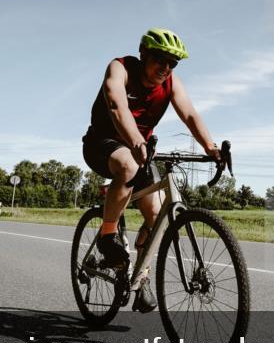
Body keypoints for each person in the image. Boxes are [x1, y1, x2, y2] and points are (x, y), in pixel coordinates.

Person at [81, 28, 221, 313]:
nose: (166, 68)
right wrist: (135, 140)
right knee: (127, 164)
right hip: (102, 143)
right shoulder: (121, 68)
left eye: (173, 63)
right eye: (160, 59)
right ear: (144, 54)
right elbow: (116, 103)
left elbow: (190, 114)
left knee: (157, 216)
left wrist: (210, 147)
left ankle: (139, 279)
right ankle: (108, 236)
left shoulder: (171, 83)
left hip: (139, 151)